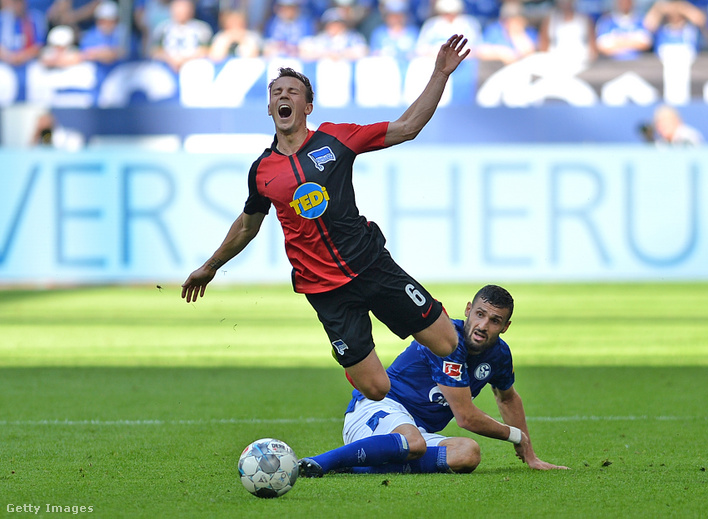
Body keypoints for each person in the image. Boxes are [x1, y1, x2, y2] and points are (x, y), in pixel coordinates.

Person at [181, 35, 470, 402]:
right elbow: (247, 225)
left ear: (308, 106)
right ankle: (352, 354)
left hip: (371, 265)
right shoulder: (262, 171)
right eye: (277, 92)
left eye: (293, 91)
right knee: (377, 389)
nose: (284, 96)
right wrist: (211, 266)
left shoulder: (336, 139)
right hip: (324, 290)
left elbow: (407, 126)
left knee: (447, 344)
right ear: (269, 107)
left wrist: (440, 74)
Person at [297, 285, 570, 476]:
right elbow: (465, 417)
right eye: (480, 314)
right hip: (375, 410)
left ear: (506, 326)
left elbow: (507, 397)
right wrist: (515, 436)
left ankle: (362, 463)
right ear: (468, 310)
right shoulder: (446, 339)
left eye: (495, 320)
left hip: (415, 430)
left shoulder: (499, 354)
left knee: (468, 453)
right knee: (414, 442)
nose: (484, 325)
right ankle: (323, 462)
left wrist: (530, 454)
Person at [150, 0, 212, 73]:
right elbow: (155, 51)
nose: (180, 11)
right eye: (177, 7)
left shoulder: (202, 29)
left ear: (191, 9)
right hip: (167, 69)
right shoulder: (162, 28)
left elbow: (206, 50)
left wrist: (184, 60)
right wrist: (171, 60)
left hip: (193, 68)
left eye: (184, 7)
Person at [539, 0, 598, 69]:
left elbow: (593, 47)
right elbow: (543, 46)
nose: (565, 2)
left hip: (582, 65)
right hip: (555, 64)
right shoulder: (549, 20)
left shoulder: (584, 19)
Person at [477, 1, 539, 65]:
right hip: (496, 69)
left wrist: (517, 36)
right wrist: (500, 53)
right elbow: (480, 51)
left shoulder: (529, 32)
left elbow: (532, 55)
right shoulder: (495, 30)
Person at [298, 6, 368, 61]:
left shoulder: (353, 37)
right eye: (331, 24)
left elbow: (363, 51)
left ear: (344, 25)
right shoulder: (321, 38)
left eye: (337, 23)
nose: (334, 27)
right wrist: (326, 54)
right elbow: (304, 52)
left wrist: (341, 54)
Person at [415, 0, 482, 57]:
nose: (449, 16)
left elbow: (478, 48)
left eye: (453, 12)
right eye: (446, 13)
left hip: (464, 62)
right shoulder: (431, 24)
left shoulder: (469, 23)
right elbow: (421, 48)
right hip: (436, 61)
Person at [0, 0, 47, 67]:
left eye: (20, 2)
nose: (18, 5)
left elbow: (39, 45)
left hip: (30, 62)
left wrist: (20, 58)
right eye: (15, 2)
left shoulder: (36, 18)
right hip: (5, 62)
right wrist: (10, 58)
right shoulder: (2, 19)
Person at [79, 0, 125, 66]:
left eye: (110, 20)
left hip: (120, 71)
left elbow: (122, 53)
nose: (106, 24)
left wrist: (99, 54)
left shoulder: (123, 34)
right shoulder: (91, 34)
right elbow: (83, 54)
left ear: (116, 20)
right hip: (97, 72)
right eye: (103, 20)